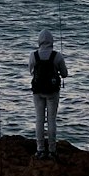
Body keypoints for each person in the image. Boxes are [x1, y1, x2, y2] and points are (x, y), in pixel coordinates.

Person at [29, 29, 68, 159]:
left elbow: (31, 72)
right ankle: (52, 150)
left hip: (37, 91)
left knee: (39, 120)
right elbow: (65, 74)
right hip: (52, 92)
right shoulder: (57, 56)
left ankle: (40, 149)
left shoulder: (33, 55)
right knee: (52, 120)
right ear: (52, 41)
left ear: (39, 41)